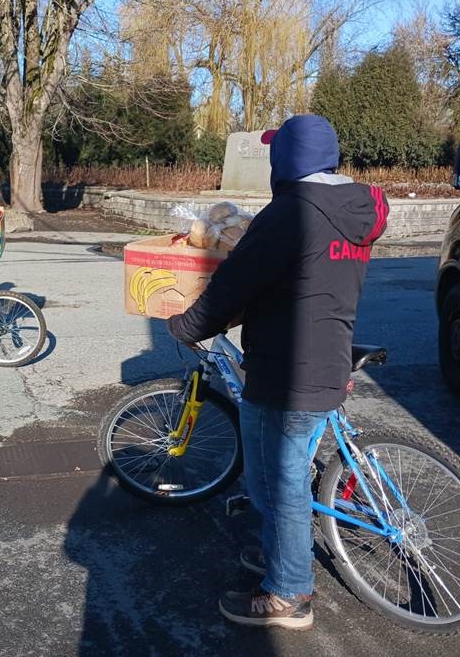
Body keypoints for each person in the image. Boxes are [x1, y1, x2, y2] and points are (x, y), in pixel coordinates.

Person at [167, 114, 389, 630]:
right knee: (270, 477)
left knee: (282, 484)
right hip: (318, 362)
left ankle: (289, 594)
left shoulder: (290, 213)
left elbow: (233, 286)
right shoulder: (357, 210)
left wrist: (186, 326)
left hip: (290, 373)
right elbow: (301, 280)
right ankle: (281, 556)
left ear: (288, 158)